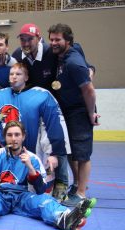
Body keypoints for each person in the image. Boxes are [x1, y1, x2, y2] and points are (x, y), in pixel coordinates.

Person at [12, 23, 94, 202]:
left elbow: (77, 55)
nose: (26, 43)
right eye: (23, 39)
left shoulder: (52, 52)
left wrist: (91, 69)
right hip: (36, 107)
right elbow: (14, 72)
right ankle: (51, 180)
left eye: (29, 39)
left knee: (61, 144)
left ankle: (65, 184)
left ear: (38, 38)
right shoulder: (18, 55)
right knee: (48, 146)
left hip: (59, 107)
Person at [0, 63, 69, 183]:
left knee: (36, 188)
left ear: (26, 77)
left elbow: (53, 126)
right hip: (9, 156)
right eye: (11, 74)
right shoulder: (0, 95)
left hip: (33, 156)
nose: (14, 77)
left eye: (18, 74)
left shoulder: (42, 96)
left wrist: (54, 154)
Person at [48, 23, 100, 206]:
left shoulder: (73, 62)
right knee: (71, 151)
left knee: (83, 154)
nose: (53, 43)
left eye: (57, 40)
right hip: (66, 110)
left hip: (79, 111)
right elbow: (89, 68)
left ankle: (81, 194)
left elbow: (89, 91)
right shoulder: (65, 54)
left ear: (67, 41)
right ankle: (78, 183)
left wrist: (91, 113)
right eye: (51, 39)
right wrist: (91, 69)